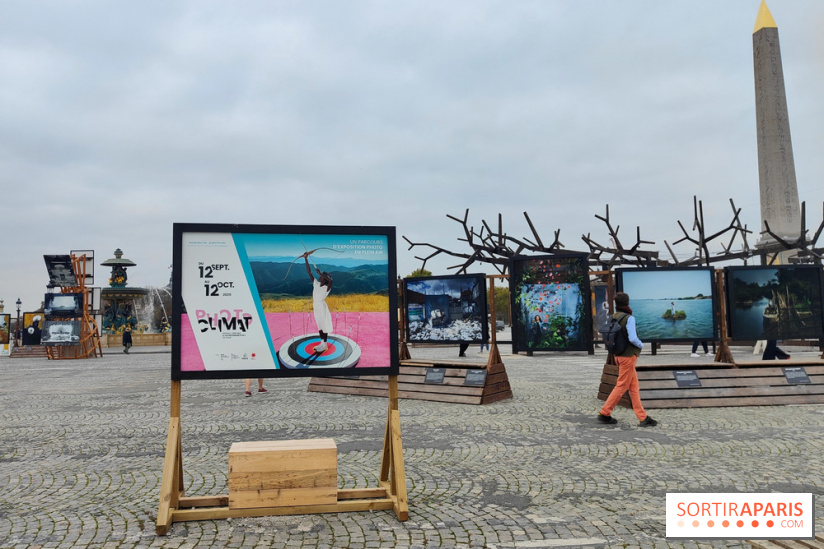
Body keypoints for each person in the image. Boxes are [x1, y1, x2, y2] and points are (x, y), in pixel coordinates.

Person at [598, 292, 658, 427]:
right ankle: (604, 413)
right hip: (628, 356)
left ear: (616, 304)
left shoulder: (613, 317)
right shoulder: (629, 318)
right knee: (622, 385)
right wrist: (641, 345)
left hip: (618, 355)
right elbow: (633, 338)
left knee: (633, 387)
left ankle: (643, 417)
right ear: (628, 303)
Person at [304, 253, 333, 353]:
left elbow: (330, 281)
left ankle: (325, 345)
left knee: (324, 325)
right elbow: (309, 272)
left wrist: (321, 274)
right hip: (316, 306)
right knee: (320, 325)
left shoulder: (327, 287)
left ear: (324, 278)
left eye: (322, 277)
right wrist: (306, 259)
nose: (319, 277)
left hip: (322, 307)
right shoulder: (316, 284)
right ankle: (322, 343)